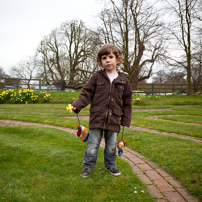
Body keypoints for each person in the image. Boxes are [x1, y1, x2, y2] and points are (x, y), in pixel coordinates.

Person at [72, 44, 132, 177]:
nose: (108, 60)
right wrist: (77, 105)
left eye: (111, 57)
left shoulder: (124, 81)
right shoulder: (96, 77)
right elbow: (86, 93)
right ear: (101, 62)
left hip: (114, 119)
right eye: (104, 58)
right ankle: (87, 167)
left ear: (118, 60)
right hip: (97, 118)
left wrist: (125, 120)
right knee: (92, 145)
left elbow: (127, 102)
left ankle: (111, 166)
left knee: (111, 146)